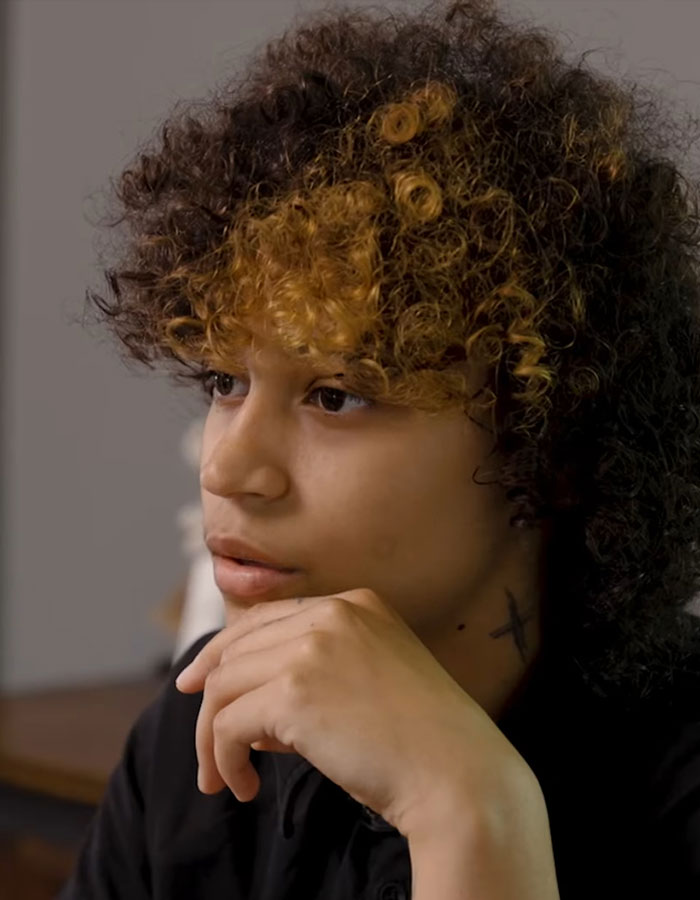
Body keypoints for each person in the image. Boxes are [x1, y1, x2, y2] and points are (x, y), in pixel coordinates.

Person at [59, 0, 700, 897]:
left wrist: (466, 810)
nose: (227, 470)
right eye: (224, 382)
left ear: (550, 445)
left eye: (335, 395)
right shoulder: (194, 747)